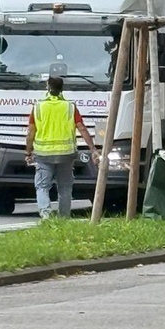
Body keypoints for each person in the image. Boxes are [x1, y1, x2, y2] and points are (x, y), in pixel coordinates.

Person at [25, 73, 99, 219]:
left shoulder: (38, 107)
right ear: (62, 89)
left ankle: (46, 215)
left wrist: (28, 152)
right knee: (65, 187)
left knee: (42, 186)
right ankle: (64, 217)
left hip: (43, 155)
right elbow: (82, 128)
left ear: (47, 88)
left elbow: (31, 132)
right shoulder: (70, 107)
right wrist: (93, 149)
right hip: (66, 155)